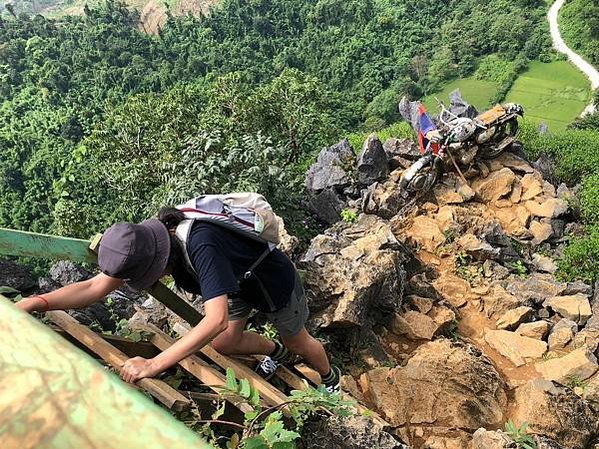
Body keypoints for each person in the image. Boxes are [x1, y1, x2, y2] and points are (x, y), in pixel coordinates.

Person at [16, 208, 341, 392]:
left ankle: (330, 378)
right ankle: (276, 352)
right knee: (225, 344)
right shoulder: (145, 244)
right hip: (238, 284)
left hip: (273, 284)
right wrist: (38, 302)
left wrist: (154, 364)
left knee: (300, 342)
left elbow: (215, 319)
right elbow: (93, 288)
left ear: (159, 264)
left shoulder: (201, 245)